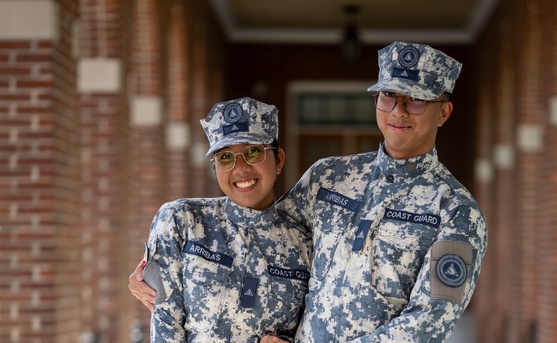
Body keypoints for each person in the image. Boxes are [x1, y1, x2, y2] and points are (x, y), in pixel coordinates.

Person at [131, 41, 488, 342]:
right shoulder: (329, 176)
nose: (398, 111)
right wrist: (163, 260)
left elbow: (429, 323)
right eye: (388, 97)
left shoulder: (456, 211)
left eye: (416, 101)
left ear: (444, 113)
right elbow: (262, 227)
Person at [137, 97, 311, 343]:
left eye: (253, 152)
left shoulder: (305, 243)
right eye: (225, 157)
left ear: (279, 160)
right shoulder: (182, 221)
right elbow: (165, 324)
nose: (240, 168)